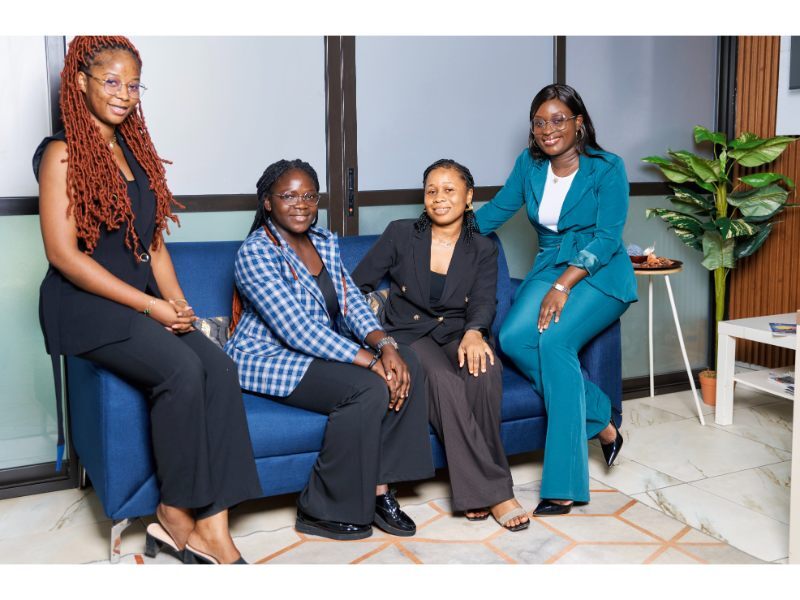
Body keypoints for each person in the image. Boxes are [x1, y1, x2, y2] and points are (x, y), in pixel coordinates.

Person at [34, 36, 261, 564]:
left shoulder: (134, 153)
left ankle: (214, 529)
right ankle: (174, 514)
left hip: (140, 302)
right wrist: (148, 307)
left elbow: (153, 242)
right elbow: (64, 255)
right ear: (80, 82)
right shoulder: (61, 154)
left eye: (134, 85)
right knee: (180, 371)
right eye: (112, 81)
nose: (124, 94)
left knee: (219, 369)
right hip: (84, 307)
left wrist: (177, 306)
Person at [225, 159, 434, 541]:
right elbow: (297, 329)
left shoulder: (323, 241)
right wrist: (370, 362)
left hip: (316, 351)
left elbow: (352, 304)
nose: (301, 205)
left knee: (408, 361)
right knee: (368, 387)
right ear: (268, 202)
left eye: (309, 196)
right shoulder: (255, 252)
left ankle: (380, 490)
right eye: (289, 196)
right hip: (268, 357)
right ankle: (320, 507)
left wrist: (386, 346)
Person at [474, 84, 637, 516]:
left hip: (600, 271)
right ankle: (602, 421)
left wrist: (563, 286)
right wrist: (439, 226)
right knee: (512, 338)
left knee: (554, 341)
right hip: (550, 263)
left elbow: (607, 239)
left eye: (558, 119)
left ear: (578, 122)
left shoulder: (607, 167)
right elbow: (496, 211)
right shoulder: (529, 165)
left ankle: (564, 486)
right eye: (540, 122)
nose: (548, 129)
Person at [352, 159, 530, 532]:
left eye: (449, 190)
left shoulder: (482, 247)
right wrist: (373, 331)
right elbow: (356, 286)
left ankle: (477, 489)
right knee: (443, 381)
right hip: (407, 332)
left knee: (485, 370)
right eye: (431, 190)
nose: (439, 198)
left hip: (456, 331)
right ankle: (496, 492)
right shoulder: (401, 233)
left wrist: (475, 332)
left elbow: (484, 300)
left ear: (469, 197)